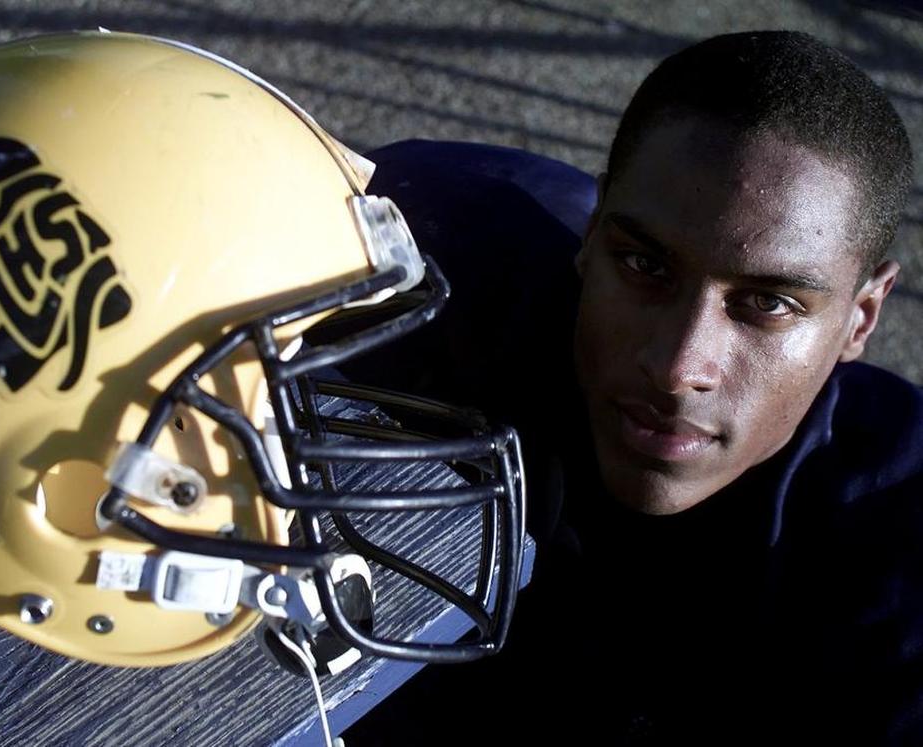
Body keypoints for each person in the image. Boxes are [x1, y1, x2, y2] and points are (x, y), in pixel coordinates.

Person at [341, 30, 921, 744]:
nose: (680, 365)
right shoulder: (419, 260)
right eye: (644, 264)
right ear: (593, 231)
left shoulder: (893, 533)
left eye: (767, 303)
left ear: (860, 319)